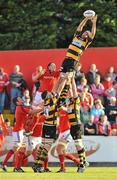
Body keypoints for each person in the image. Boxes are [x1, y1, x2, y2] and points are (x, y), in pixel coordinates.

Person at [32, 73, 71, 173]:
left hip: (45, 125)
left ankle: (37, 163)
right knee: (47, 146)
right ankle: (38, 164)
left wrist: (61, 79)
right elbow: (58, 88)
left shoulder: (46, 101)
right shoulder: (52, 100)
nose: (51, 93)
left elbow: (55, 89)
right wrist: (63, 79)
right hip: (50, 126)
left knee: (43, 145)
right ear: (48, 96)